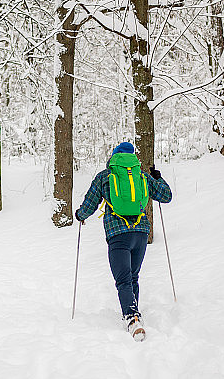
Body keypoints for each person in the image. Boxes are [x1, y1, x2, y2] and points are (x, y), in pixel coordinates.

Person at [74, 142, 173, 341]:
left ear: (114, 157)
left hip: (118, 234)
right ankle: (132, 311)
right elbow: (166, 196)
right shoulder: (142, 176)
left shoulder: (105, 177)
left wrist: (79, 215)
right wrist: (158, 178)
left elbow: (90, 204)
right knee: (133, 276)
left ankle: (132, 318)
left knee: (123, 279)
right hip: (141, 233)